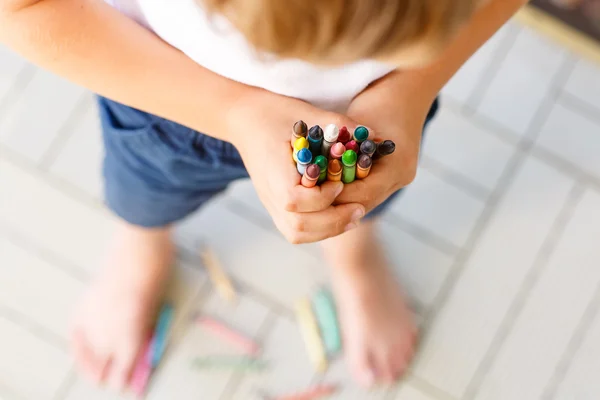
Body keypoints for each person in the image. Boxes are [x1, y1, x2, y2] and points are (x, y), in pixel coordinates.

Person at [0, 0, 527, 390]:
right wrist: (234, 111)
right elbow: (22, 12)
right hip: (171, 99)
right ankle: (144, 245)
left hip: (378, 112)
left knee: (368, 193)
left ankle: (352, 252)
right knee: (146, 193)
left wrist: (411, 87)